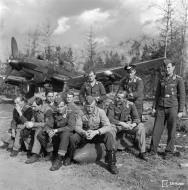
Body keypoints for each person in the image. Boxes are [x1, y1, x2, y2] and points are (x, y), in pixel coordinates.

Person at [63, 96, 118, 174]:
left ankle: (112, 163)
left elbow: (108, 126)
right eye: (88, 107)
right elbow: (77, 127)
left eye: (91, 107)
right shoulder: (81, 112)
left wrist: (96, 132)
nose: (89, 109)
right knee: (73, 137)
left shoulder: (101, 112)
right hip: (85, 134)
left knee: (108, 135)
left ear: (95, 105)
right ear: (85, 105)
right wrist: (83, 133)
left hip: (96, 134)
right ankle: (69, 156)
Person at [149, 59, 185, 159]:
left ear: (173, 68)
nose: (167, 69)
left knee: (171, 130)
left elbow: (182, 96)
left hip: (173, 107)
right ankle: (152, 150)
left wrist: (181, 110)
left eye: (169, 67)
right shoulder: (161, 79)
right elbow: (157, 95)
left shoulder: (178, 79)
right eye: (166, 67)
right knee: (156, 129)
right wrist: (154, 107)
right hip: (161, 107)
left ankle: (168, 152)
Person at [107, 91, 147, 161]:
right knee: (110, 129)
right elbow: (110, 118)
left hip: (128, 125)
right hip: (117, 125)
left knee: (141, 126)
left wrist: (133, 124)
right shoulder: (112, 104)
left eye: (119, 98)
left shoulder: (131, 104)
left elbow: (136, 118)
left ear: (125, 99)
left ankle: (142, 152)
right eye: (117, 97)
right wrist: (121, 123)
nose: (117, 99)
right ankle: (111, 153)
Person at [49, 91, 81, 171]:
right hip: (58, 132)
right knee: (42, 133)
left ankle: (59, 159)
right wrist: (49, 130)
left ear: (65, 106)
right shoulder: (54, 113)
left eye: (61, 106)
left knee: (65, 134)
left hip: (68, 133)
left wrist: (56, 130)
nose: (60, 108)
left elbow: (70, 127)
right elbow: (48, 124)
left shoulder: (70, 112)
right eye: (58, 107)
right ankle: (49, 153)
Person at [24, 97, 53, 164]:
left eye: (34, 106)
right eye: (32, 106)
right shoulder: (35, 110)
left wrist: (34, 124)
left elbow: (48, 124)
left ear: (40, 105)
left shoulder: (48, 110)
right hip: (40, 126)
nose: (33, 108)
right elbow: (34, 119)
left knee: (38, 132)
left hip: (49, 128)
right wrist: (29, 123)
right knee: (25, 129)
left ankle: (36, 154)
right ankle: (29, 149)